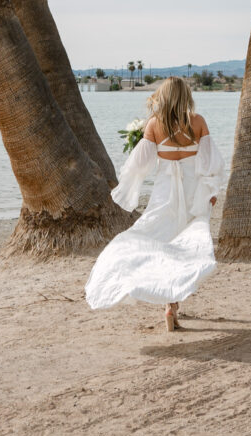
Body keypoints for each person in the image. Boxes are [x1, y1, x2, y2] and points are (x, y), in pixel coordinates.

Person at [85, 76, 225, 331]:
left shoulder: (155, 124)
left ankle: (170, 303)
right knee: (187, 244)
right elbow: (211, 162)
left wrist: (128, 187)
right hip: (193, 191)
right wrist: (211, 191)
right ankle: (173, 303)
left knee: (159, 241)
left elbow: (139, 165)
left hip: (164, 193)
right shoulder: (198, 122)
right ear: (186, 96)